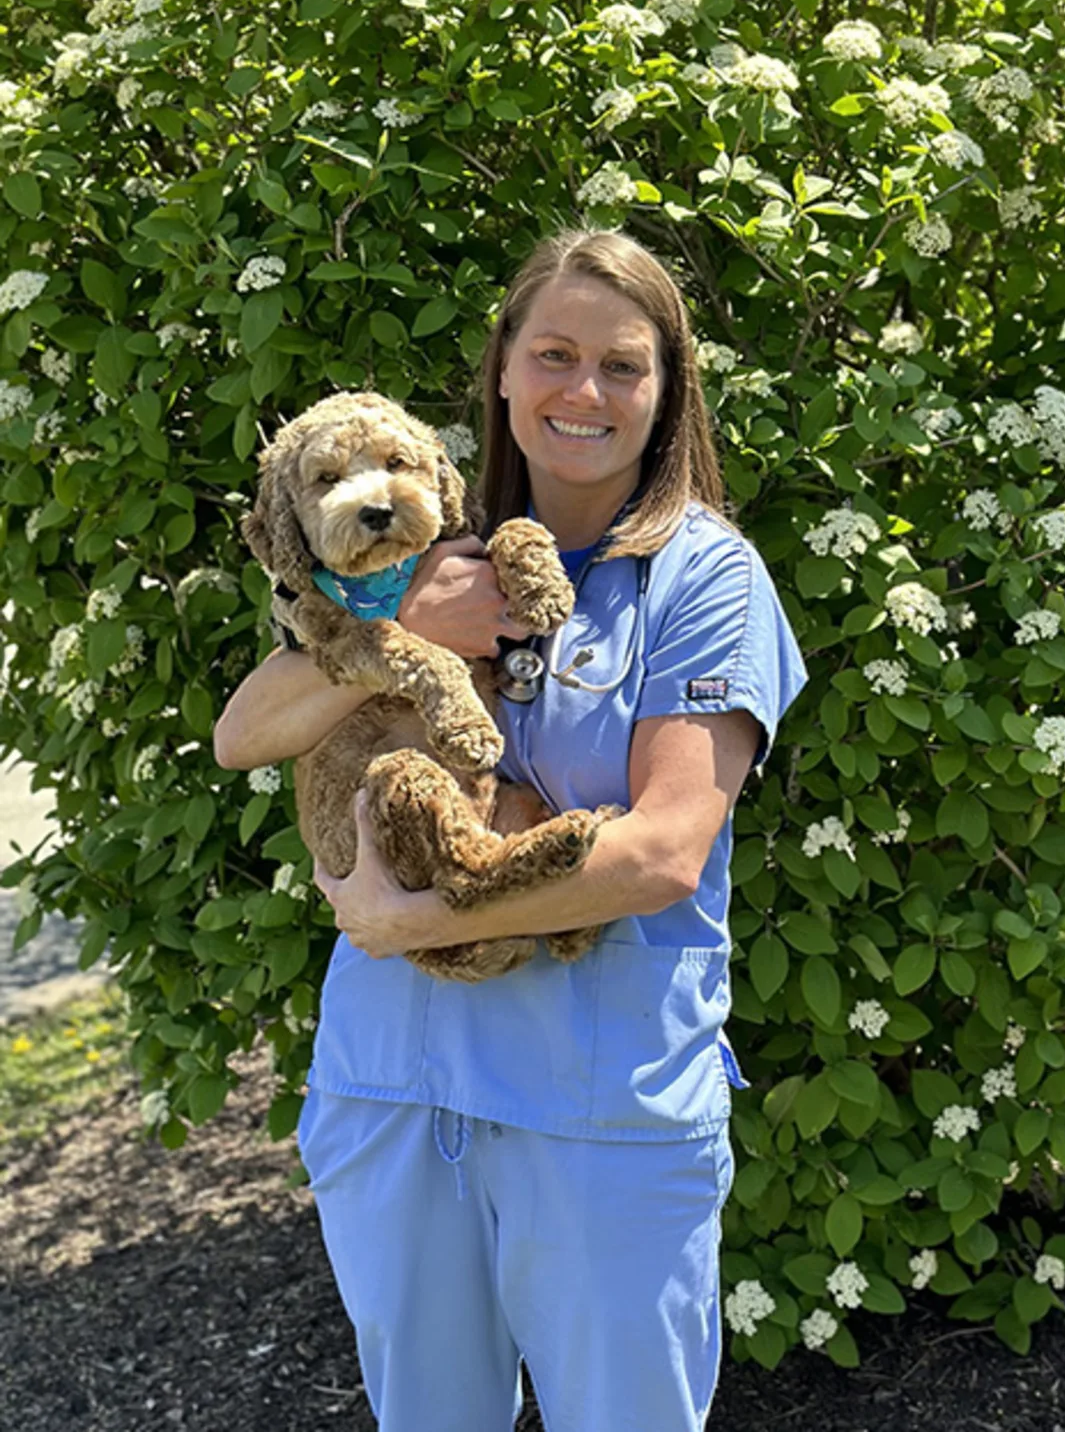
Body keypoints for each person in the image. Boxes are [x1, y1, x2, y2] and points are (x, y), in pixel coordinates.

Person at [214, 229, 807, 1432]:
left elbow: (663, 850)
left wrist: (413, 919)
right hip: (394, 1089)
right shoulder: (420, 541)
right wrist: (408, 629)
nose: (584, 390)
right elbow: (245, 730)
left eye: (623, 365)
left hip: (600, 1108)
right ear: (500, 368)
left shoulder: (706, 581)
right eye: (554, 354)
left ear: (667, 391)